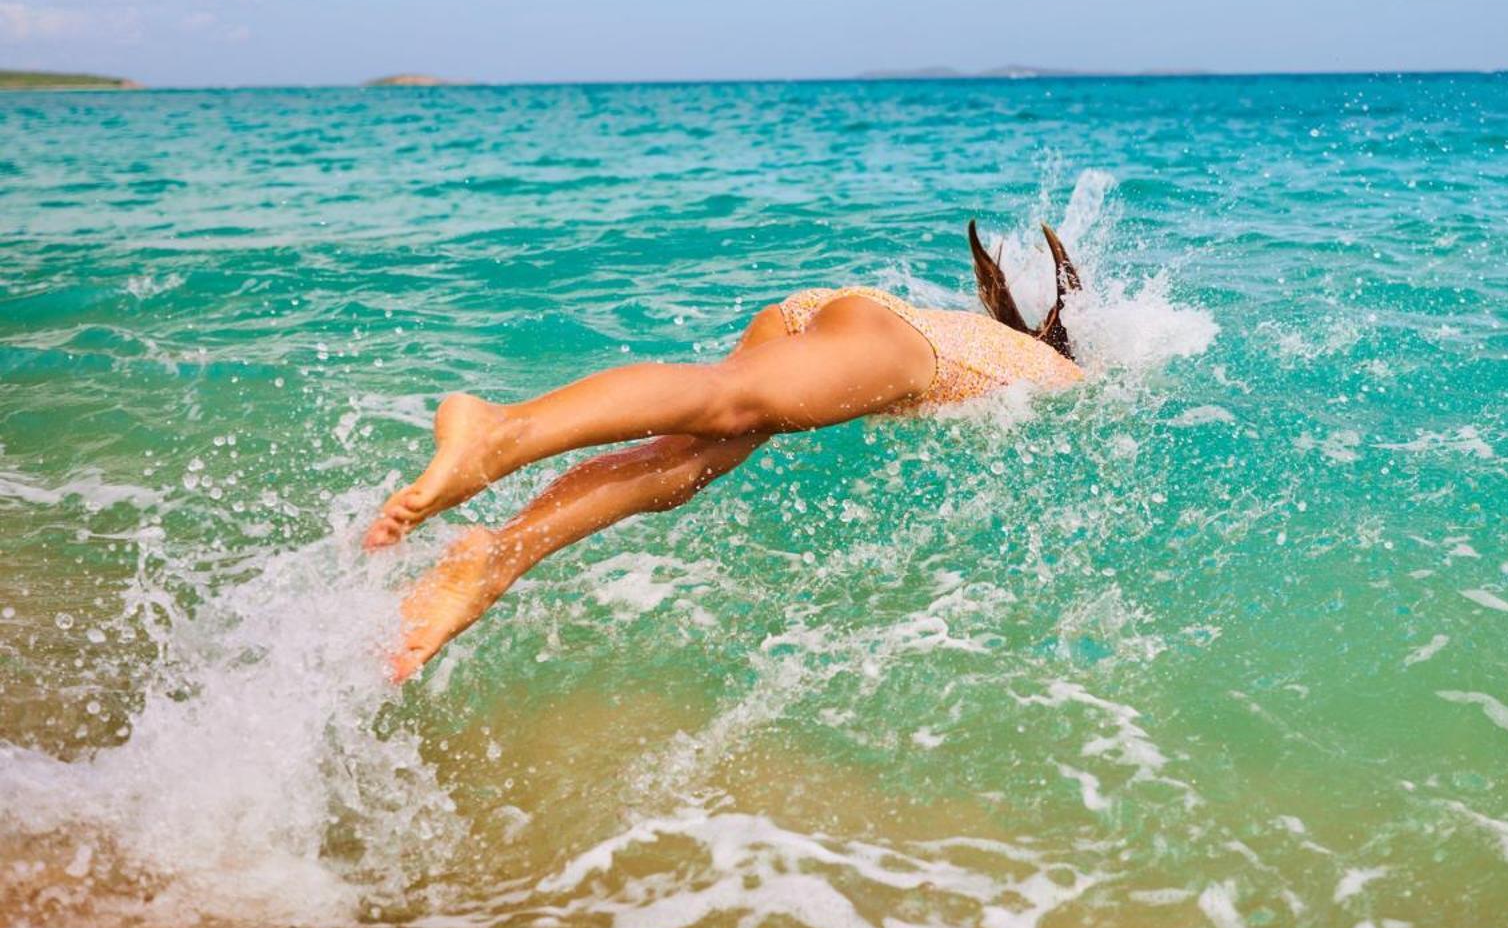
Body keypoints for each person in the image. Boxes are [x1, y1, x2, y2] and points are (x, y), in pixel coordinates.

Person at [367, 221, 1086, 680]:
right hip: (897, 349)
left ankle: (495, 556)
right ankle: (499, 432)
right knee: (725, 397)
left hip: (845, 323)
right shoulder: (1066, 375)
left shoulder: (992, 340)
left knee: (685, 463)